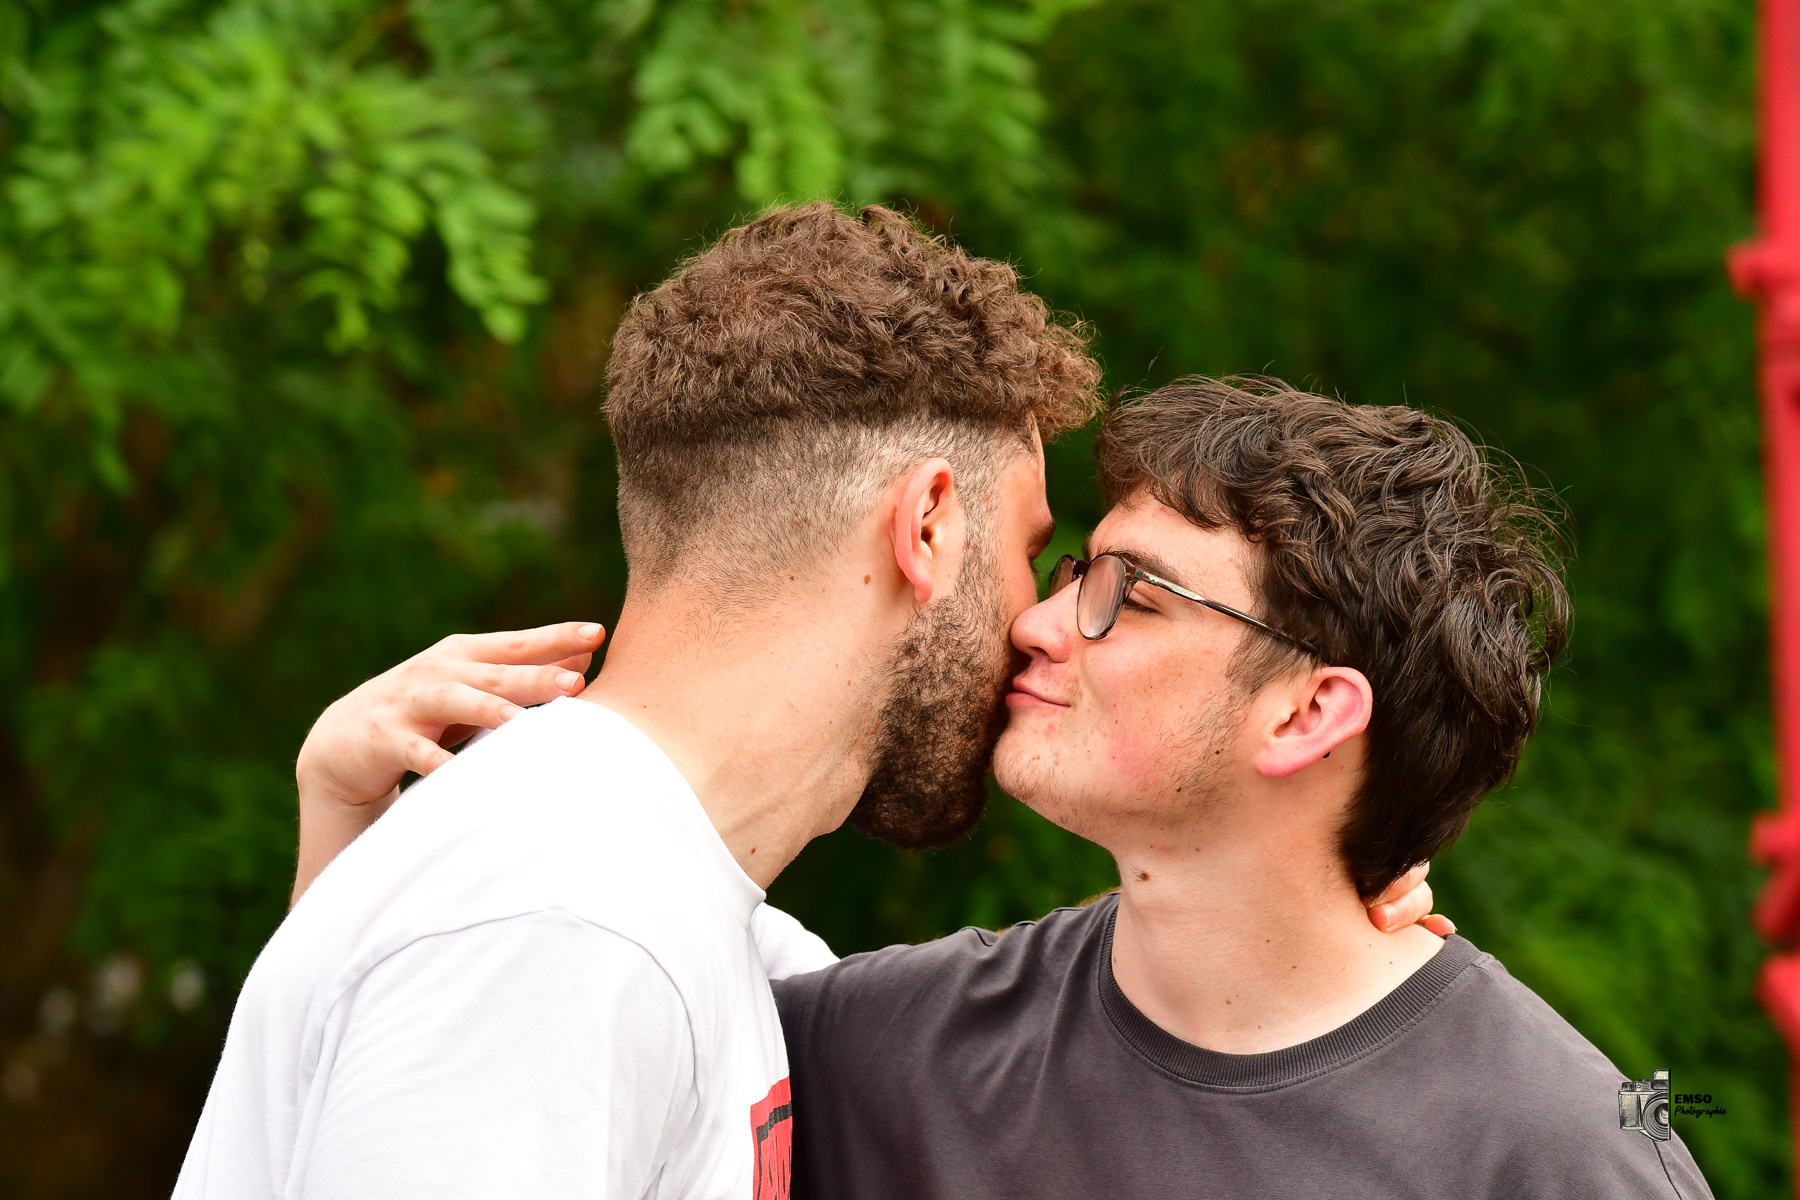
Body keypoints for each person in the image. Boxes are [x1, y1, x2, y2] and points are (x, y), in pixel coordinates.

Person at [301, 380, 1713, 1197]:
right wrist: (353, 830)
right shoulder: (861, 1058)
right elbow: (435, 1060)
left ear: (1308, 712)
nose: (1035, 622)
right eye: (1068, 570)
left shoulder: (1557, 1151)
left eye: (1126, 596)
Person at [173, 200, 1111, 1199]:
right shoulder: (561, 918)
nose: (1035, 621)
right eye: (1027, 551)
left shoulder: (648, 898)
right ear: (927, 526)